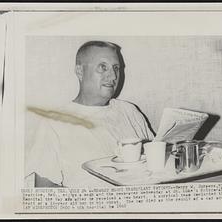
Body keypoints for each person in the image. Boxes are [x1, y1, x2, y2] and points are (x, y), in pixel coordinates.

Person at [25, 41, 154, 188]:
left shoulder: (129, 111)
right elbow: (44, 192)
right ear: (80, 72)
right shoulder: (54, 123)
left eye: (116, 68)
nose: (113, 76)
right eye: (103, 67)